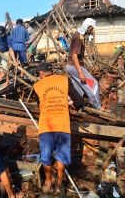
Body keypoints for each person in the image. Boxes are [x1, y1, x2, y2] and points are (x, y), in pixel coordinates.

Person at [33, 63, 79, 194]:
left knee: (46, 157)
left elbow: (39, 104)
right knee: (61, 157)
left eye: (39, 75)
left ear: (41, 73)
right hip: (63, 125)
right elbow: (79, 100)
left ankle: (48, 183)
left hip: (46, 126)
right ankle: (59, 185)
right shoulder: (64, 80)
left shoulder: (37, 86)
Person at [66, 18, 101, 109]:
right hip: (73, 66)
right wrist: (81, 72)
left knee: (78, 88)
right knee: (93, 84)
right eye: (92, 28)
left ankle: (78, 107)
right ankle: (98, 106)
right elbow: (74, 56)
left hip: (71, 66)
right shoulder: (78, 38)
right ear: (88, 27)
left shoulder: (79, 36)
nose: (92, 30)